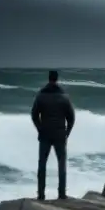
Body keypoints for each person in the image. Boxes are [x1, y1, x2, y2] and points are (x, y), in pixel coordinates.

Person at [30, 69, 75, 200]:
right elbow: (71, 118)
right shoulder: (64, 97)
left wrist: (40, 129)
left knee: (42, 164)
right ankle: (61, 194)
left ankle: (41, 195)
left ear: (49, 78)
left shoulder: (41, 95)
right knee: (61, 164)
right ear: (57, 79)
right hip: (60, 134)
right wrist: (67, 133)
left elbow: (34, 115)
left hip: (45, 134)